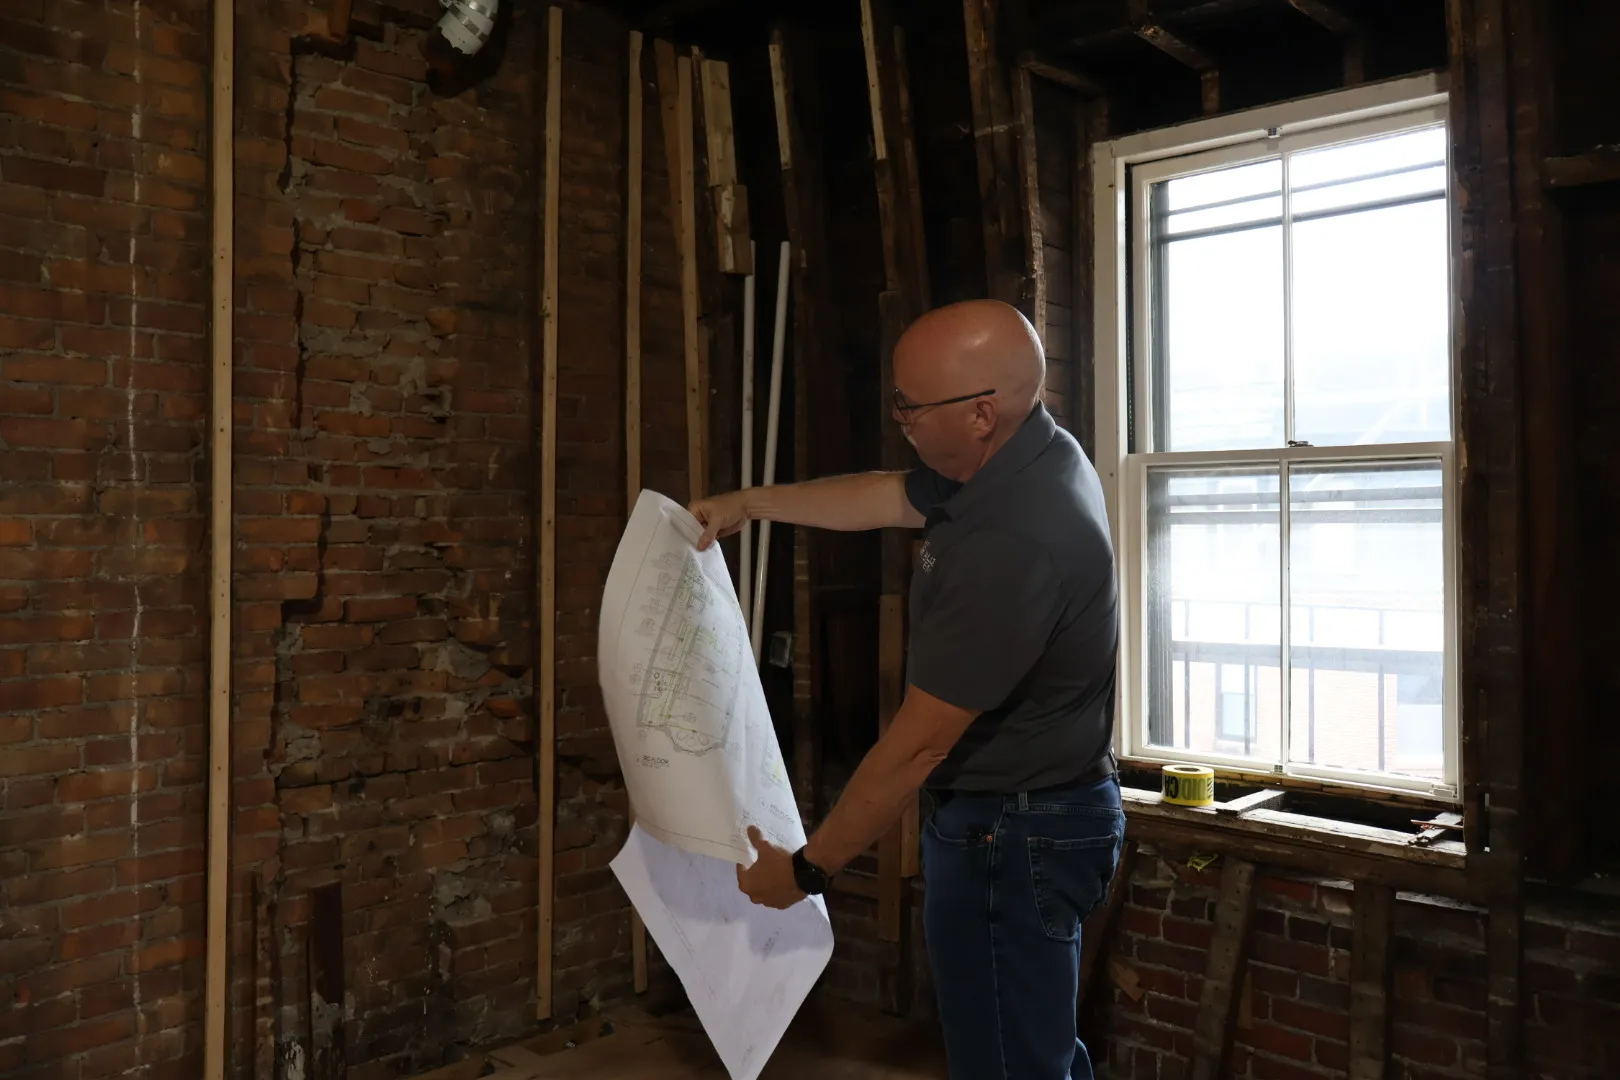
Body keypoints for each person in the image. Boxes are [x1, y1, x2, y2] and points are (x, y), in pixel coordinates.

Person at [687, 298, 1123, 1080]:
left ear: (982, 412)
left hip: (1012, 833)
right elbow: (892, 494)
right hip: (1032, 815)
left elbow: (918, 745)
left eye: (909, 405)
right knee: (1036, 1050)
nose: (900, 420)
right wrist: (750, 504)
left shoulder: (1016, 541)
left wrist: (808, 870)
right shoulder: (1024, 454)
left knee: (1006, 1065)